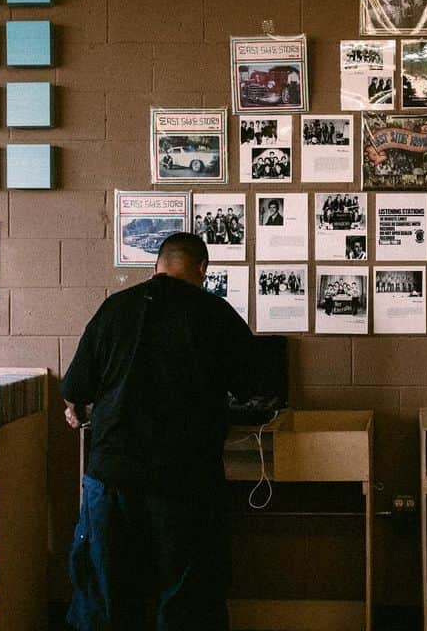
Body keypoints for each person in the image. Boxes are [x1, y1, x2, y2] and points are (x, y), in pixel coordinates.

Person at [62, 233, 255, 631]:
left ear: (156, 266)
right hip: (186, 478)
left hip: (113, 477)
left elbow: (76, 389)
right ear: (202, 269)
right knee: (188, 597)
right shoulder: (214, 312)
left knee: (109, 594)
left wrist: (77, 409)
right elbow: (254, 384)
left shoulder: (115, 308)